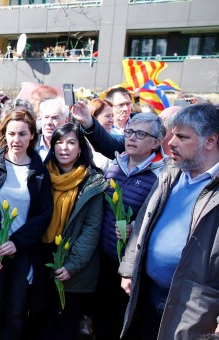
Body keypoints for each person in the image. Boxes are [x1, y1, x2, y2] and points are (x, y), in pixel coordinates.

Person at [118, 103, 219, 339]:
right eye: (172, 134)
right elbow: (144, 221)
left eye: (182, 137)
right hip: (147, 290)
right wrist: (129, 269)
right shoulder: (171, 172)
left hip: (193, 305)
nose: (171, 143)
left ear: (211, 141)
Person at [0, 108, 53, 339]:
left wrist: (17, 242)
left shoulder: (39, 172)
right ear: (4, 134)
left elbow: (44, 214)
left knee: (16, 311)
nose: (16, 140)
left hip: (22, 252)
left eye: (23, 134)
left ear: (32, 136)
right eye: (12, 133)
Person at [92, 112, 167, 340]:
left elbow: (161, 220)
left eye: (141, 134)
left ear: (156, 142)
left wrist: (135, 227)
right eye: (129, 132)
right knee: (100, 315)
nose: (132, 138)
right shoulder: (116, 164)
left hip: (133, 265)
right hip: (104, 256)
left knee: (123, 321)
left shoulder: (162, 175)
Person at [39, 123, 106, 339]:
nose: (64, 148)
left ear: (80, 148)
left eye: (70, 142)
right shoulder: (42, 174)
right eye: (59, 142)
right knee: (44, 318)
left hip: (75, 263)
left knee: (69, 321)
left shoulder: (93, 181)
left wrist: (72, 265)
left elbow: (91, 228)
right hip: (44, 256)